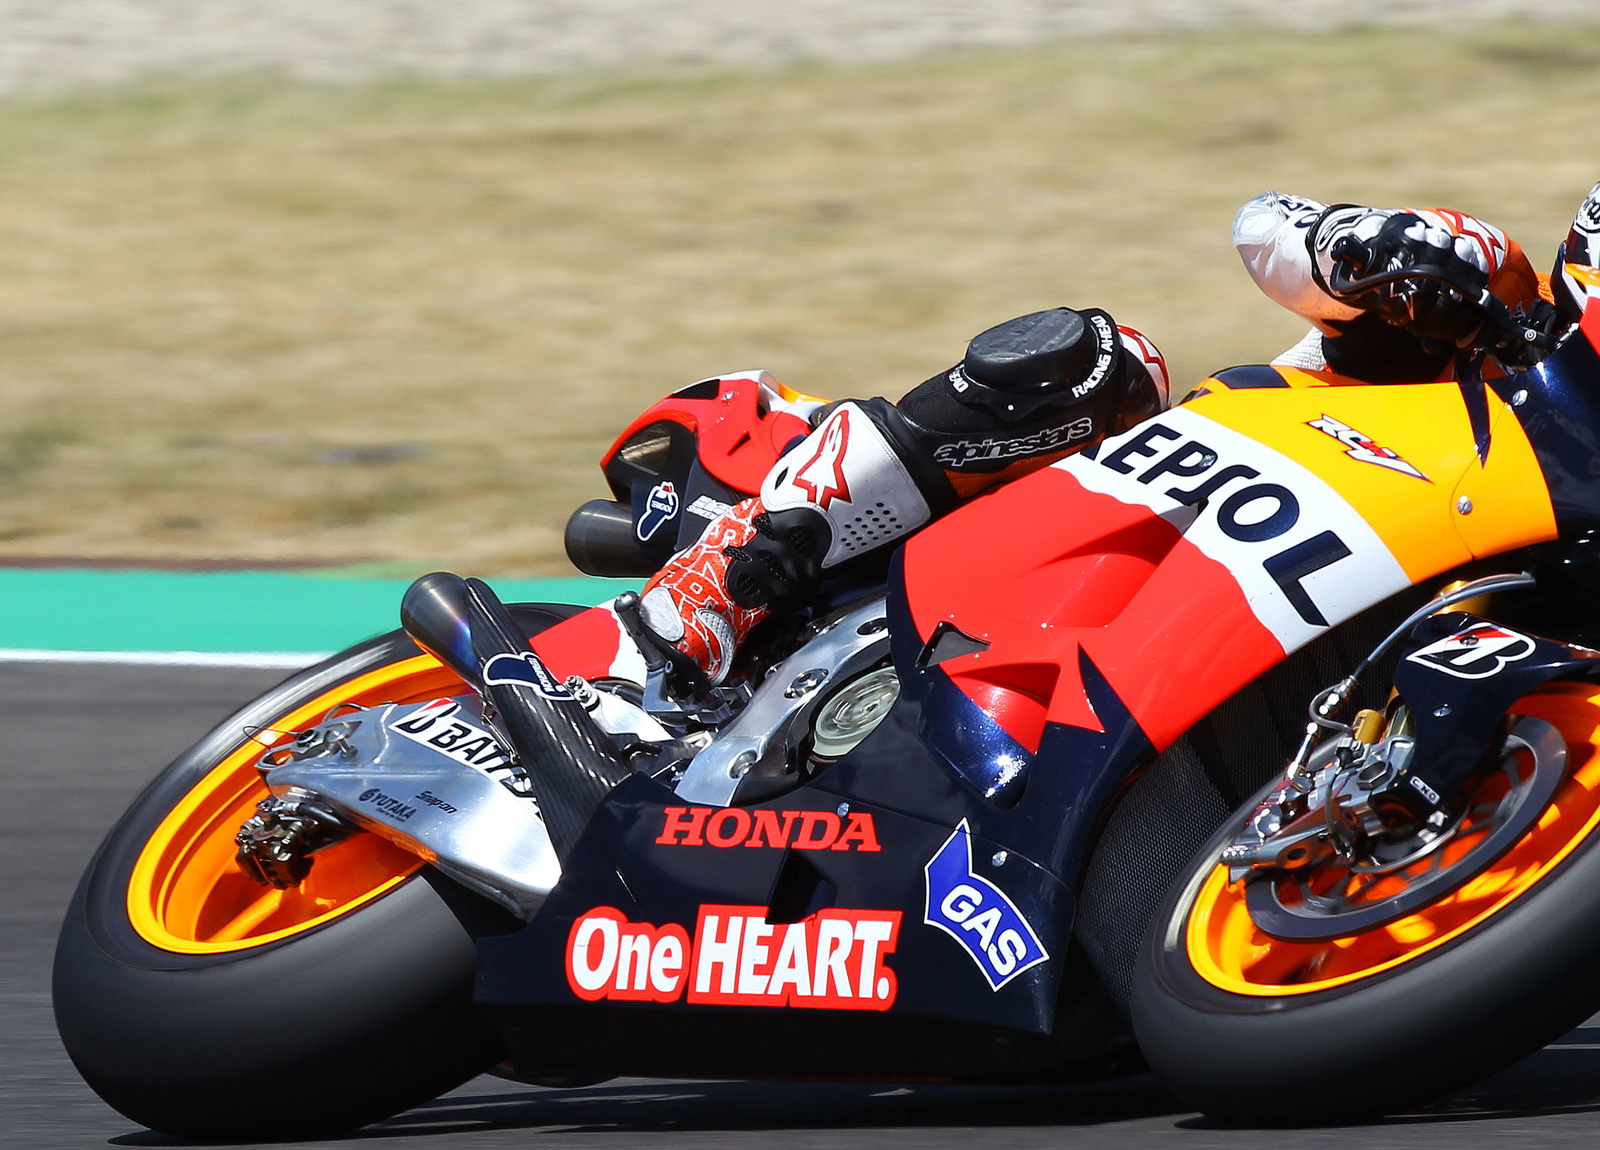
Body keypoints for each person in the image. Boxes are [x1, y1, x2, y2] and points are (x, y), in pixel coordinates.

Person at [636, 182, 1598, 684]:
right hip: (1206, 501)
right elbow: (1267, 228)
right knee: (1100, 361)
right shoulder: (1484, 285)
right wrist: (1359, 250)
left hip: (1300, 655)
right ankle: (738, 564)